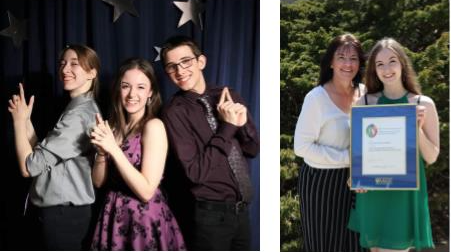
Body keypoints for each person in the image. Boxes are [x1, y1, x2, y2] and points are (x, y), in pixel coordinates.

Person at [160, 35, 259, 250]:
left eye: (185, 61)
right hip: (209, 217)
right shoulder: (174, 112)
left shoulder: (227, 95)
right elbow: (196, 173)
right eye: (171, 67)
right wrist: (228, 127)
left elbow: (252, 149)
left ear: (201, 62)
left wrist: (241, 125)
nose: (180, 71)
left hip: (242, 212)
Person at [348, 38, 439, 252]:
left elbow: (432, 156)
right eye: (379, 64)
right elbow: (356, 155)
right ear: (374, 70)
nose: (386, 69)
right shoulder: (364, 104)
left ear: (402, 63)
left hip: (404, 195)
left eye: (392, 61)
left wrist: (415, 127)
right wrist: (354, 178)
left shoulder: (422, 104)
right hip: (373, 192)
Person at [7, 44, 101, 250]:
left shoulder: (79, 116)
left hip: (63, 215)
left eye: (74, 64)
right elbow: (40, 155)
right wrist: (25, 120)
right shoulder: (75, 108)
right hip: (60, 212)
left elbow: (29, 167)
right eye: (62, 63)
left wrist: (17, 122)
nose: (65, 69)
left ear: (92, 73)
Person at [89, 58, 185, 250]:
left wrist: (114, 149)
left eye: (141, 87)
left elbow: (146, 191)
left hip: (144, 221)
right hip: (113, 215)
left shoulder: (154, 127)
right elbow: (98, 182)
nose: (132, 94)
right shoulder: (114, 128)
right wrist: (101, 152)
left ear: (150, 93)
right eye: (126, 86)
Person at [293, 33, 367, 252]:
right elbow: (302, 147)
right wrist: (350, 159)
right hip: (322, 183)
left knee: (357, 245)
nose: (348, 63)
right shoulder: (316, 98)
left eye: (354, 58)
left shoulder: (365, 94)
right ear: (331, 62)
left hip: (359, 181)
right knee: (325, 245)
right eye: (342, 57)